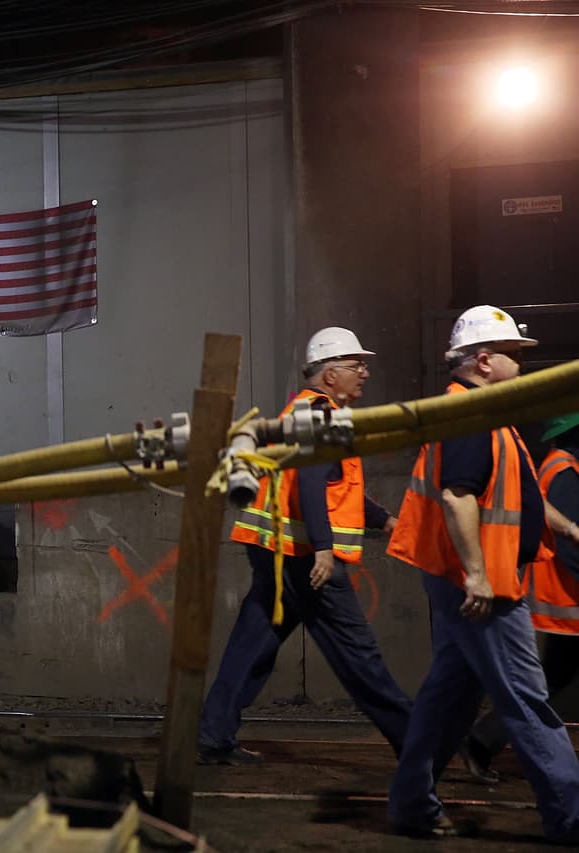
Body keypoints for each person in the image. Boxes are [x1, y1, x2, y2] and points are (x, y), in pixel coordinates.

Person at [386, 306, 579, 841]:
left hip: (469, 580)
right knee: (525, 698)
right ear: (485, 360)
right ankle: (571, 815)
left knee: (449, 697)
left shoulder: (483, 413)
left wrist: (564, 528)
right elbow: (458, 494)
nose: (522, 365)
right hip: (483, 587)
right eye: (515, 356)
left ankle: (410, 804)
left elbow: (517, 495)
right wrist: (475, 574)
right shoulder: (472, 416)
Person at [198, 327, 411, 764]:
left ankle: (213, 736)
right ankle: (419, 742)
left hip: (276, 550)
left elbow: (334, 483)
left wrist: (384, 520)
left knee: (253, 645)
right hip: (305, 558)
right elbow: (312, 483)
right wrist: (324, 548)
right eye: (355, 366)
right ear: (330, 375)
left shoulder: (300, 411)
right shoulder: (323, 416)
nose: (364, 372)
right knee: (358, 655)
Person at [460, 410, 579, 785]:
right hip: (564, 594)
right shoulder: (565, 473)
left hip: (558, 594)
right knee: (546, 681)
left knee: (553, 678)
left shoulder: (554, 466)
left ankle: (480, 741)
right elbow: (570, 544)